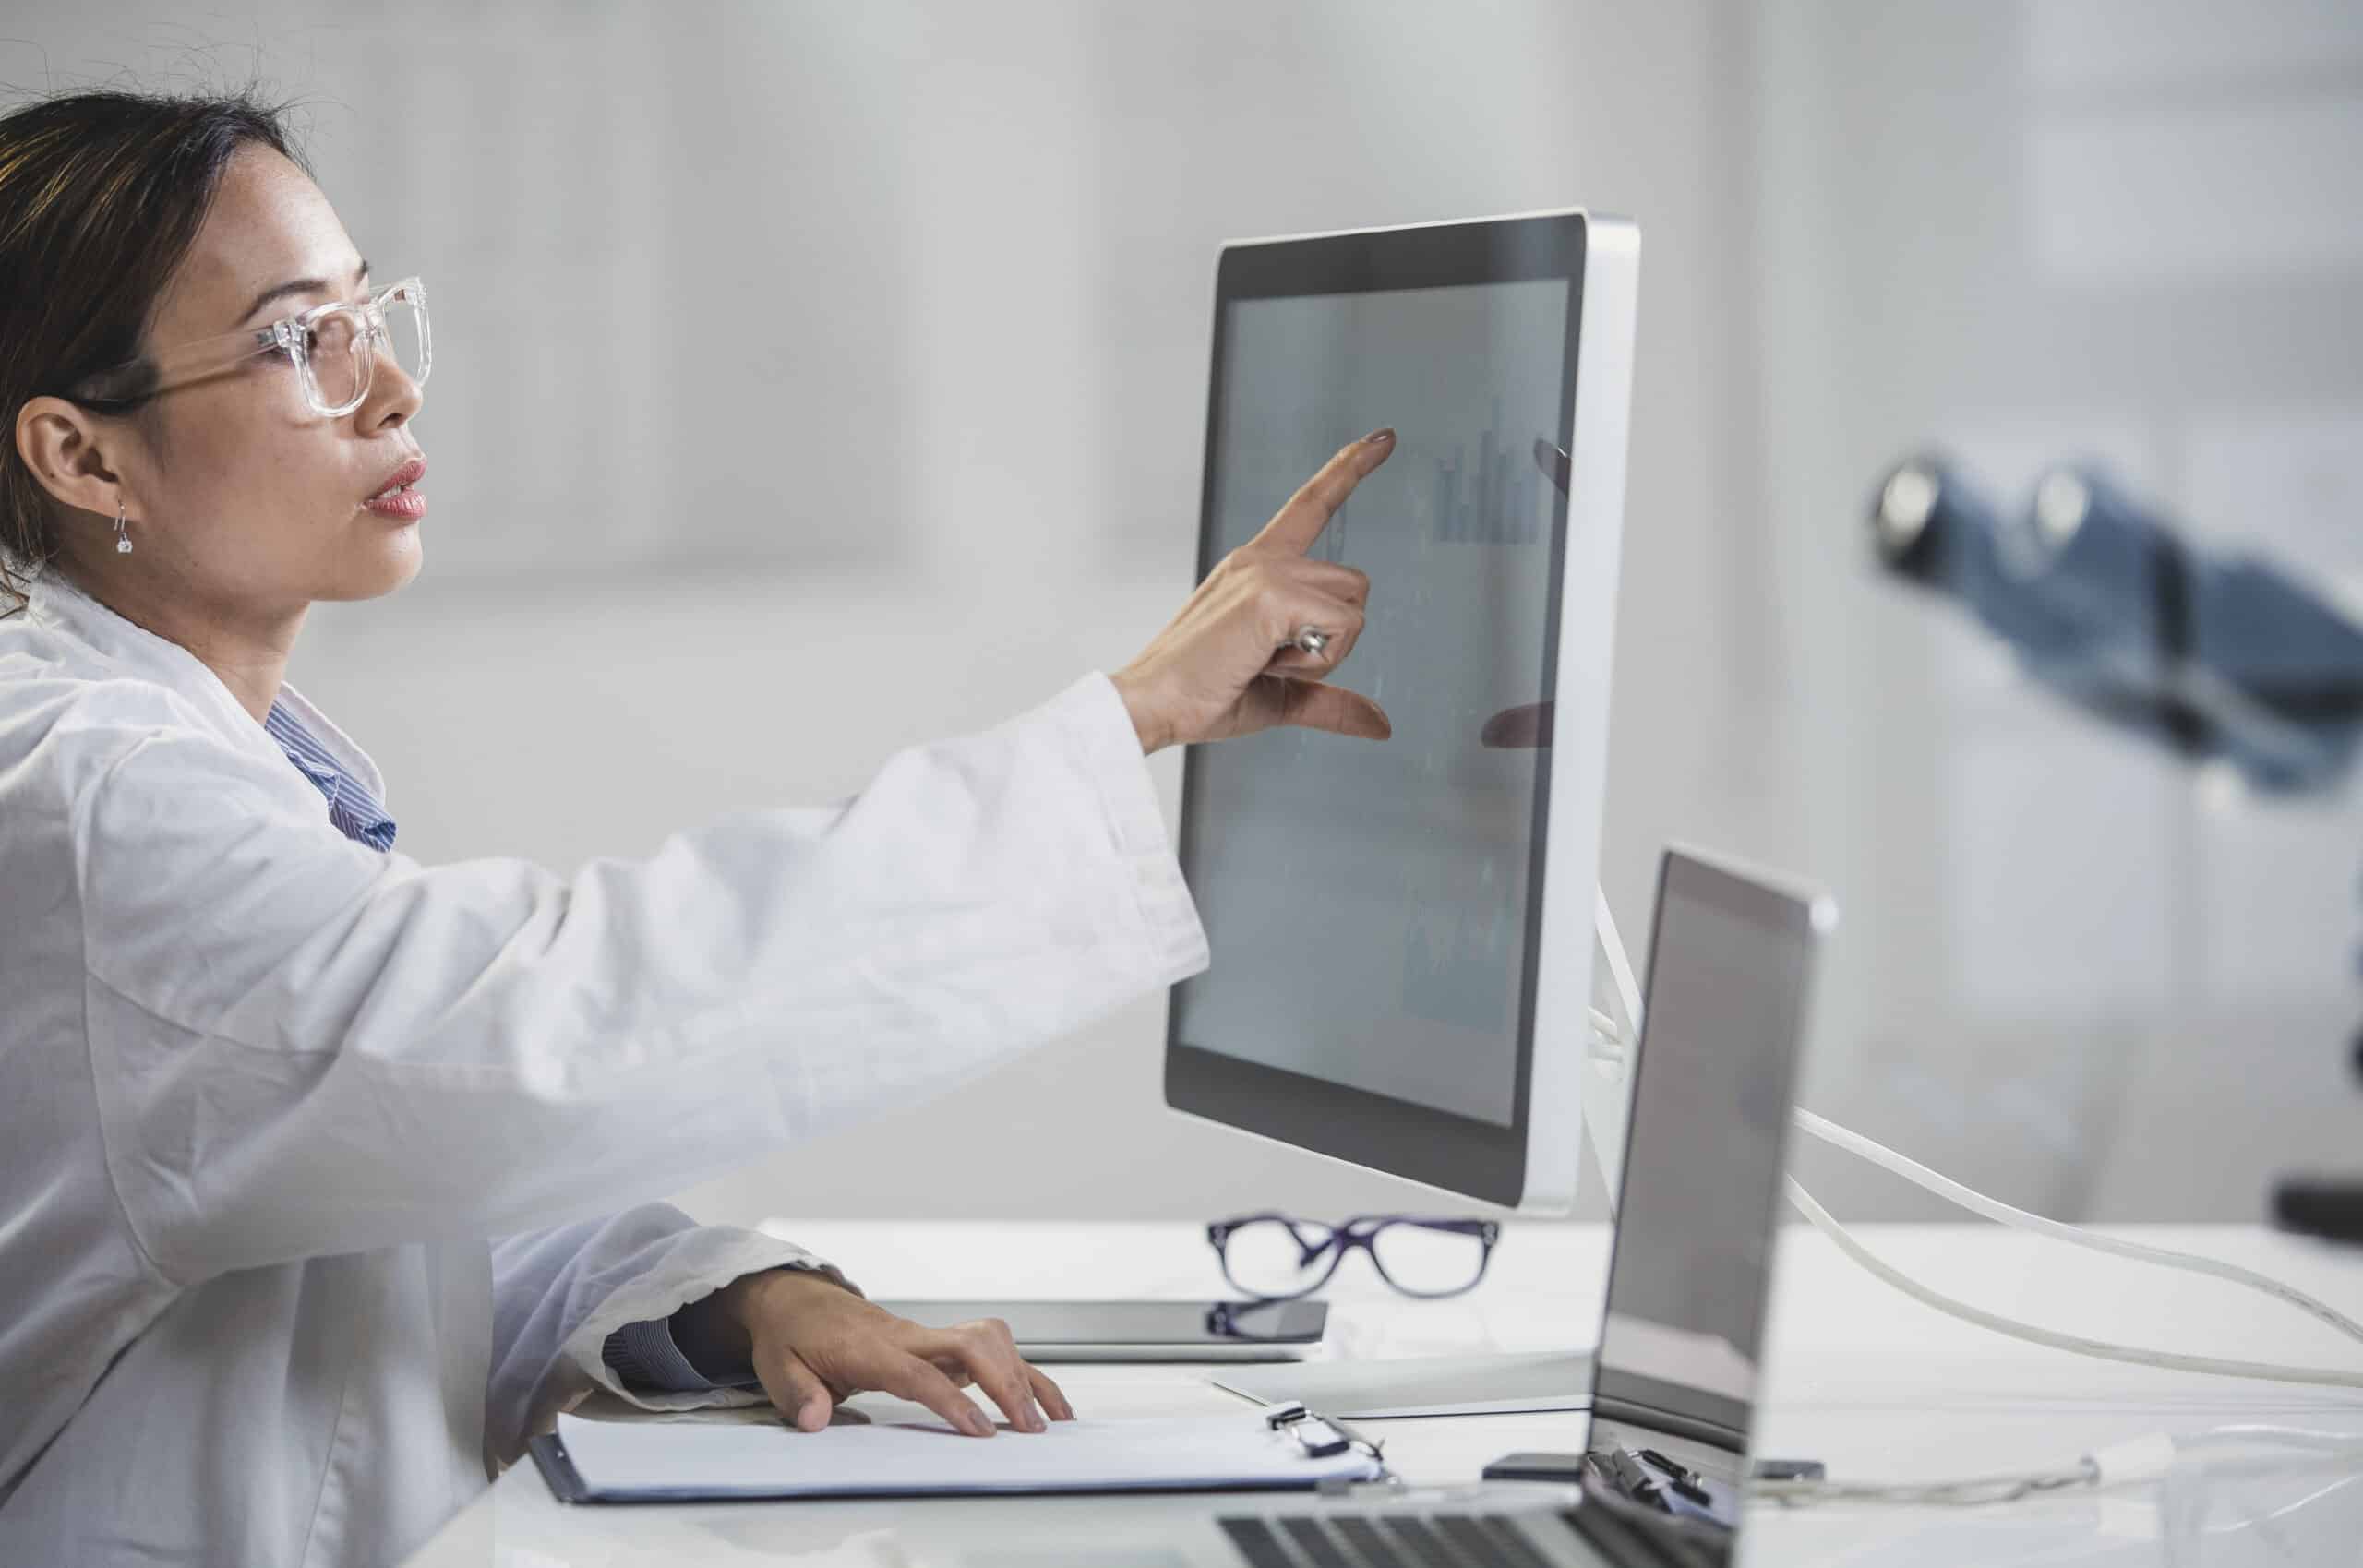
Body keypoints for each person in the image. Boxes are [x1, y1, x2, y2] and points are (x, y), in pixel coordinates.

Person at [0, 89, 1394, 1568]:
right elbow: (526, 1044)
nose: (393, 389)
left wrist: (738, 1298)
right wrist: (1131, 718)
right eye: (299, 343)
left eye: (370, 314)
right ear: (84, 461)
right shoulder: (95, 799)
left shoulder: (198, 758)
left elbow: (391, 1177)